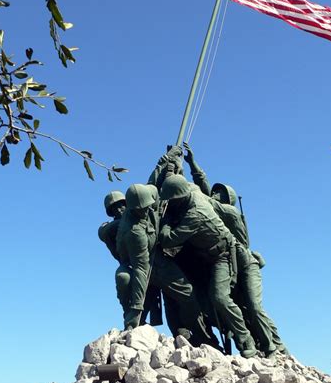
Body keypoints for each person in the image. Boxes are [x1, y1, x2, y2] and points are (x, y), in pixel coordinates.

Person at [183, 143, 288, 357]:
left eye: (220, 193)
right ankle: (255, 343)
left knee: (254, 307)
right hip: (226, 263)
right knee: (224, 303)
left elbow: (204, 198)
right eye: (215, 192)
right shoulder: (212, 212)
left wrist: (186, 183)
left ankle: (275, 347)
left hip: (244, 264)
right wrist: (192, 165)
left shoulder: (229, 213)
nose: (215, 194)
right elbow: (204, 191)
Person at [159, 175, 258, 358]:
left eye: (172, 201)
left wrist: (165, 223)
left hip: (223, 256)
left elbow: (168, 240)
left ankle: (246, 340)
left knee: (219, 297)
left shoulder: (195, 214)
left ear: (180, 198)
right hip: (205, 258)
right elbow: (184, 181)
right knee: (202, 299)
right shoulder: (193, 190)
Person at [116, 183, 216, 347]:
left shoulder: (150, 197)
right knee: (185, 294)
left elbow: (157, 184)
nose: (145, 211)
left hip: (158, 257)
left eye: (147, 206)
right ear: (132, 209)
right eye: (140, 209)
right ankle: (134, 331)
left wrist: (170, 160)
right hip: (148, 265)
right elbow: (142, 269)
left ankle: (201, 338)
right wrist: (136, 309)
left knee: (187, 295)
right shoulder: (134, 231)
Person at [98, 191, 131, 323]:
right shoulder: (109, 228)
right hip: (128, 265)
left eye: (122, 205)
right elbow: (103, 232)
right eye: (114, 208)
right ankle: (129, 315)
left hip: (152, 263)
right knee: (122, 278)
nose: (119, 209)